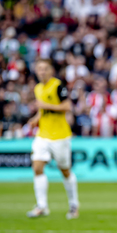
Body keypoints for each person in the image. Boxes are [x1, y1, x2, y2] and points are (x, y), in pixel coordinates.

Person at [26, 59, 79, 219]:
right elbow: (43, 110)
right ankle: (42, 206)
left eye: (45, 69)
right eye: (39, 69)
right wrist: (36, 117)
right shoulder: (38, 88)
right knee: (37, 167)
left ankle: (73, 205)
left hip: (60, 136)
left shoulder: (57, 86)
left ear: (51, 71)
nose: (42, 72)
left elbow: (67, 106)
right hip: (43, 134)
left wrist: (46, 106)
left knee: (65, 170)